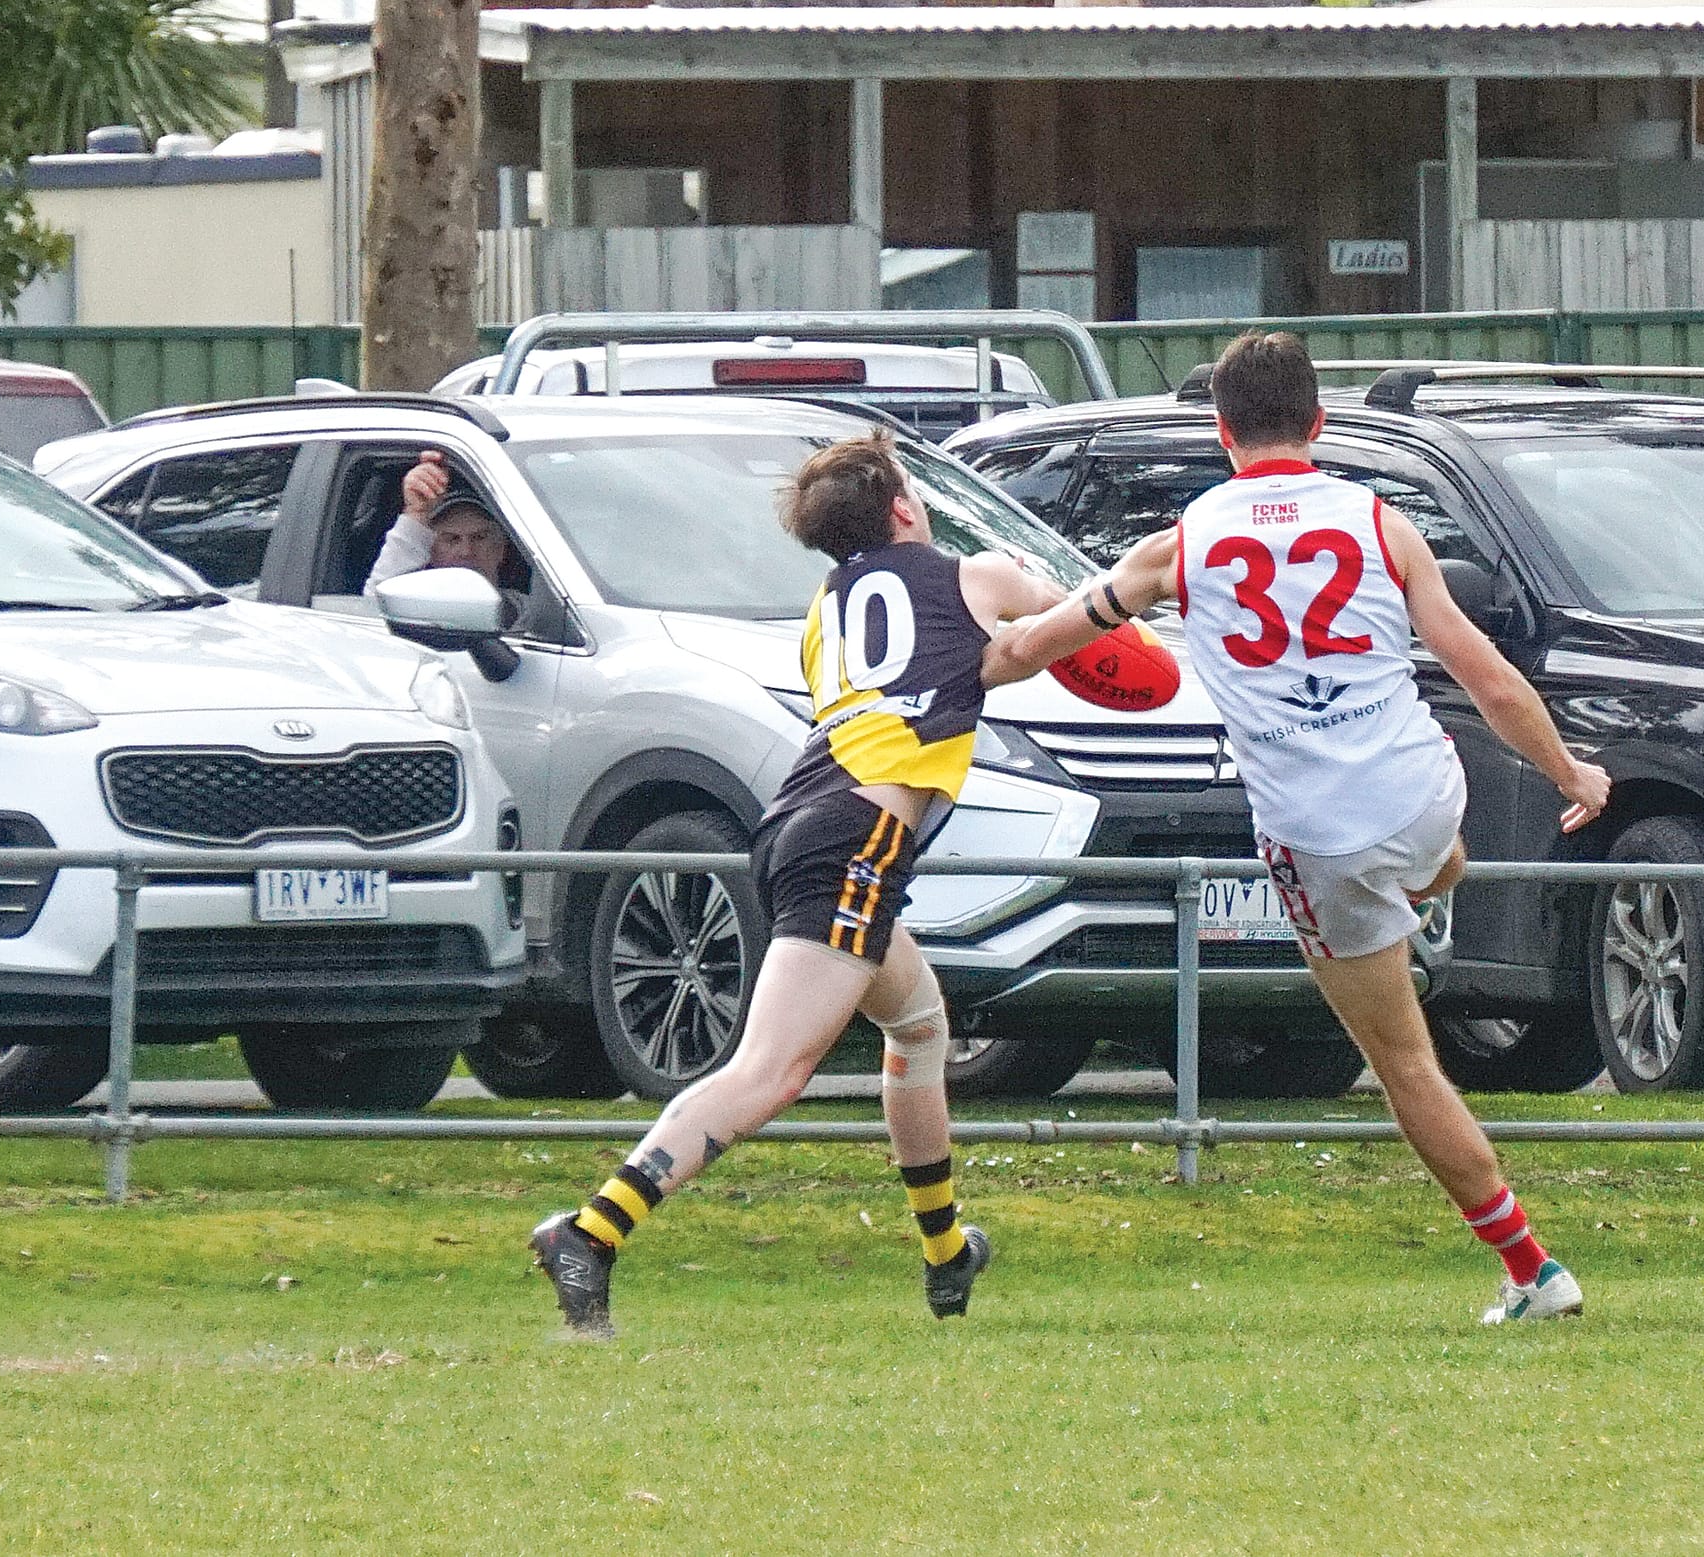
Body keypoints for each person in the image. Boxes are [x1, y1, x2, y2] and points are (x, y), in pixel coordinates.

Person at [984, 331, 1613, 1325]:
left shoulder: (1178, 545)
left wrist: (956, 663)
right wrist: (1568, 770)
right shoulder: (1379, 523)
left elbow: (1036, 645)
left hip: (1314, 837)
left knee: (1404, 1062)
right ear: (1318, 425)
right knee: (1419, 858)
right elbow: (1484, 674)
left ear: (1219, 432)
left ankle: (1532, 1271)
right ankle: (1428, 876)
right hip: (1421, 790)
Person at [528, 430, 1065, 1339]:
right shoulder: (971, 576)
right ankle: (592, 1228)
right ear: (903, 505)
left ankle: (945, 1255)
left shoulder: (823, 610)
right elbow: (1067, 621)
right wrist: (1134, 588)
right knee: (771, 1070)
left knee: (920, 1026)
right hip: (858, 839)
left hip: (801, 825)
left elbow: (929, 672)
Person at [364, 450, 523, 621]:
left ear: (500, 549)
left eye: (479, 538)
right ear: (430, 551)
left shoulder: (532, 615)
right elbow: (374, 608)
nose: (466, 551)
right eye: (452, 539)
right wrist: (416, 513)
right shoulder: (411, 610)